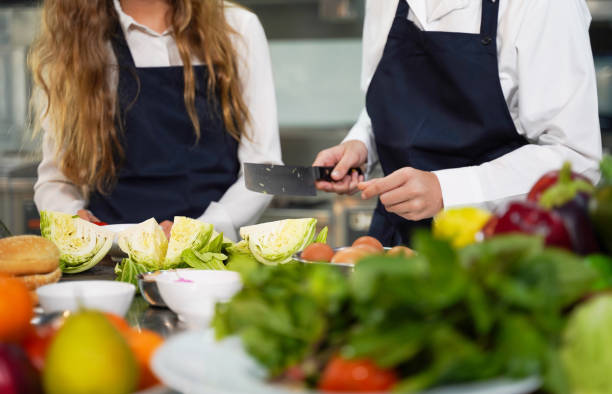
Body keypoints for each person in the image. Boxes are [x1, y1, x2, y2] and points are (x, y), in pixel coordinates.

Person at [314, 0, 602, 246]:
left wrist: (447, 190)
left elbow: (575, 160)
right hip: (397, 246)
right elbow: (393, 93)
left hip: (500, 249)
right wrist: (363, 142)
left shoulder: (544, 6)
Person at [31, 0, 281, 241]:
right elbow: (56, 180)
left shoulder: (236, 27)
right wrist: (72, 217)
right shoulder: (78, 39)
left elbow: (266, 171)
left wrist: (204, 230)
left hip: (212, 257)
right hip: (113, 258)